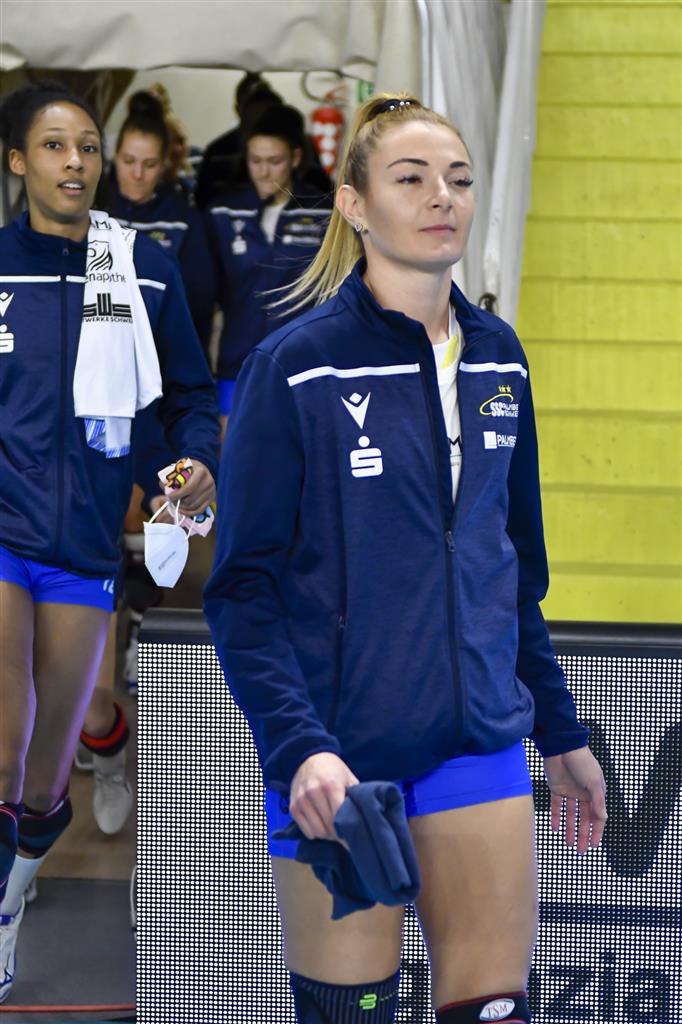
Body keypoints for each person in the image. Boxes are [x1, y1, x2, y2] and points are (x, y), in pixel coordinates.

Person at [203, 94, 607, 1024]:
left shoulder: (501, 358)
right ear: (354, 204)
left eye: (459, 179)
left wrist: (560, 730)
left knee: (493, 1011)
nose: (442, 198)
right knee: (348, 1012)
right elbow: (244, 591)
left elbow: (512, 574)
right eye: (412, 179)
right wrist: (300, 748)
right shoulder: (295, 366)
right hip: (343, 760)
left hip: (479, 746)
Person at [0, 80, 219, 1002]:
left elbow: (186, 400)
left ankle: (11, 896)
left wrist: (194, 467)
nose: (77, 162)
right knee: (3, 735)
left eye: (87, 146)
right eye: (55, 146)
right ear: (18, 161)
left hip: (87, 545)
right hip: (4, 532)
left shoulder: (144, 269)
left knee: (45, 780)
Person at [207, 103, 332, 432]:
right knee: (232, 454)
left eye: (275, 161)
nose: (264, 172)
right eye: (255, 161)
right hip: (237, 361)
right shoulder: (222, 212)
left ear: (295, 158)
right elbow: (204, 294)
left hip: (306, 362)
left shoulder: (324, 212)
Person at [106, 89, 215, 353]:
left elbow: (199, 303)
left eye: (149, 164)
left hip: (162, 357)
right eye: (128, 161)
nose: (137, 174)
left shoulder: (183, 221)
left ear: (165, 164)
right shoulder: (90, 211)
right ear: (115, 157)